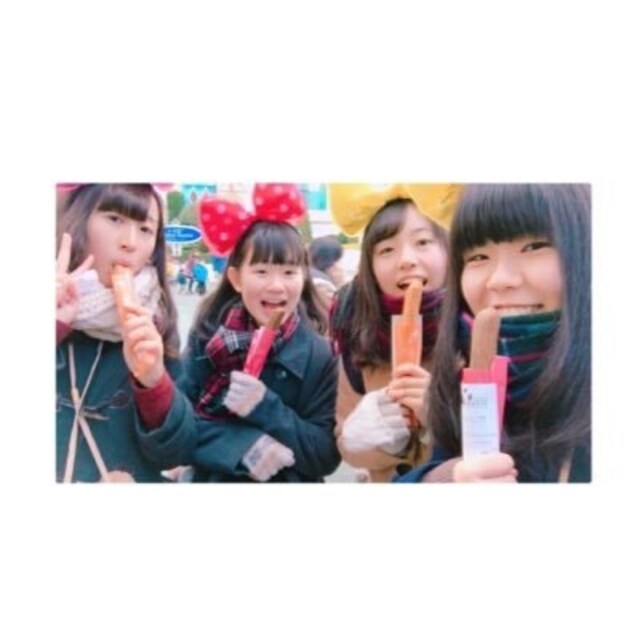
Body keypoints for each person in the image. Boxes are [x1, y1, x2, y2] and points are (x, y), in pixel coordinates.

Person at [396, 183, 591, 483]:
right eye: (477, 257)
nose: (499, 280)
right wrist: (443, 478)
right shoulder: (457, 380)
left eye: (534, 246)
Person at [181, 183, 341, 482]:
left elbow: (325, 454)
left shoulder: (321, 355)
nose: (277, 286)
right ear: (236, 279)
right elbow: (178, 424)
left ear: (303, 277)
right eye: (262, 272)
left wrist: (265, 406)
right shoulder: (207, 339)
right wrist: (242, 447)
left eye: (289, 272)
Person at [56, 183, 196, 482]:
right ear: (78, 220)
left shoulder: (156, 319)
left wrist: (154, 382)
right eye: (115, 219)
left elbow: (178, 452)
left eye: (145, 229)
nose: (130, 242)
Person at [328, 183, 461, 481]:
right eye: (386, 250)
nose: (406, 259)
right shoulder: (356, 329)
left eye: (423, 242)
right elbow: (347, 447)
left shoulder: (475, 326)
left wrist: (442, 416)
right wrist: (368, 438)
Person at [308, 235, 346, 312]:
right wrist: (342, 286)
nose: (341, 266)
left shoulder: (311, 275)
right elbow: (341, 314)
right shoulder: (321, 286)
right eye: (338, 260)